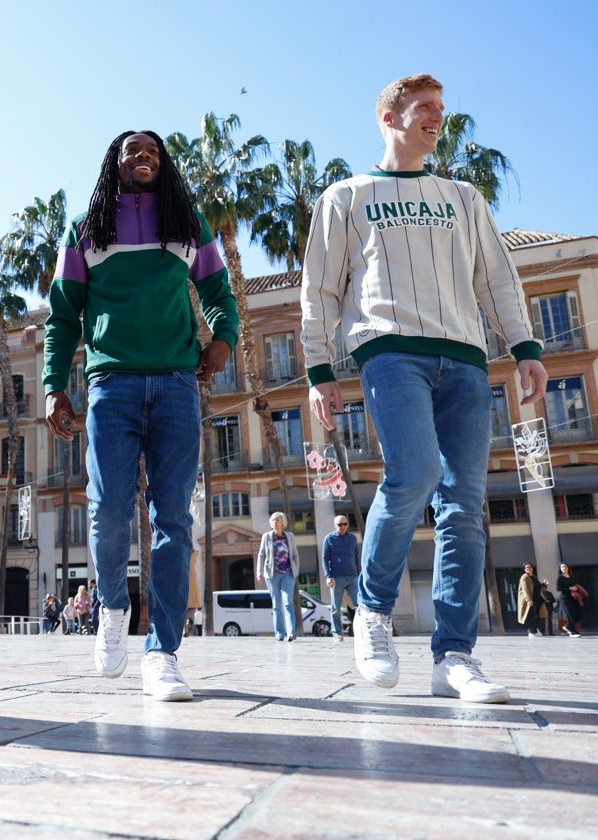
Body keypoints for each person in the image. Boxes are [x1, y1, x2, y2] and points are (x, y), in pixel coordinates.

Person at [301, 74, 548, 704]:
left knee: (465, 505)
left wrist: (524, 348)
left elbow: (496, 277)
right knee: (411, 475)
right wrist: (318, 371)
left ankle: (454, 658)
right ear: (390, 117)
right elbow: (322, 290)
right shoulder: (347, 197)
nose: (438, 117)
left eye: (442, 108)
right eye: (425, 108)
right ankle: (374, 612)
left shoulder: (463, 198)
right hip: (389, 353)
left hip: (465, 358)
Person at [43, 130, 238, 702]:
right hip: (111, 385)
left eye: (152, 149)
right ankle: (110, 610)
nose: (143, 155)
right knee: (106, 508)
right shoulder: (85, 229)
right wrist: (56, 388)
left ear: (164, 162)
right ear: (114, 163)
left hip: (179, 386)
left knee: (174, 518)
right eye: (131, 150)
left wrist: (223, 337)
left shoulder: (187, 223)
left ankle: (162, 653)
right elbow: (61, 317)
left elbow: (220, 292)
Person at [257, 512, 299, 642]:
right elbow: (261, 554)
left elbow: (295, 555)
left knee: (288, 603)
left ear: (283, 523)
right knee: (276, 605)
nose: (275, 522)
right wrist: (259, 572)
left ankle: (291, 632)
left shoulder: (290, 536)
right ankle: (279, 633)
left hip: (288, 573)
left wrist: (296, 570)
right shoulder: (267, 537)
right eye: (273, 520)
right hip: (272, 574)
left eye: (278, 520)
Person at [322, 516, 360, 641]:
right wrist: (328, 576)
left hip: (353, 576)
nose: (342, 526)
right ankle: (337, 633)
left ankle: (362, 631)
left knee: (359, 605)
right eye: (339, 524)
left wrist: (359, 574)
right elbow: (324, 558)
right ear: (335, 525)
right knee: (335, 607)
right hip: (336, 578)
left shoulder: (352, 538)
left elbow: (356, 557)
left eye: (345, 524)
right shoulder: (329, 538)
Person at [556, 562, 586, 638]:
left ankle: (567, 626)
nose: (564, 568)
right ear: (560, 569)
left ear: (568, 568)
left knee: (578, 614)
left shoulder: (571, 576)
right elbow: (558, 588)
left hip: (574, 597)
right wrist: (569, 588)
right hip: (565, 598)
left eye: (565, 566)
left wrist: (576, 588)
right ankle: (573, 631)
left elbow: (575, 585)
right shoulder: (560, 577)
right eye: (562, 567)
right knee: (570, 615)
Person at [517, 564, 544, 638]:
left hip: (537, 599)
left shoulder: (534, 577)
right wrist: (528, 600)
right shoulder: (524, 577)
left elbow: (537, 587)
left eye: (529, 567)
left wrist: (544, 584)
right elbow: (525, 589)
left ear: (532, 568)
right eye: (526, 567)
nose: (528, 568)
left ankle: (534, 629)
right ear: (524, 569)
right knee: (533, 616)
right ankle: (532, 632)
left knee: (540, 615)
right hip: (531, 600)